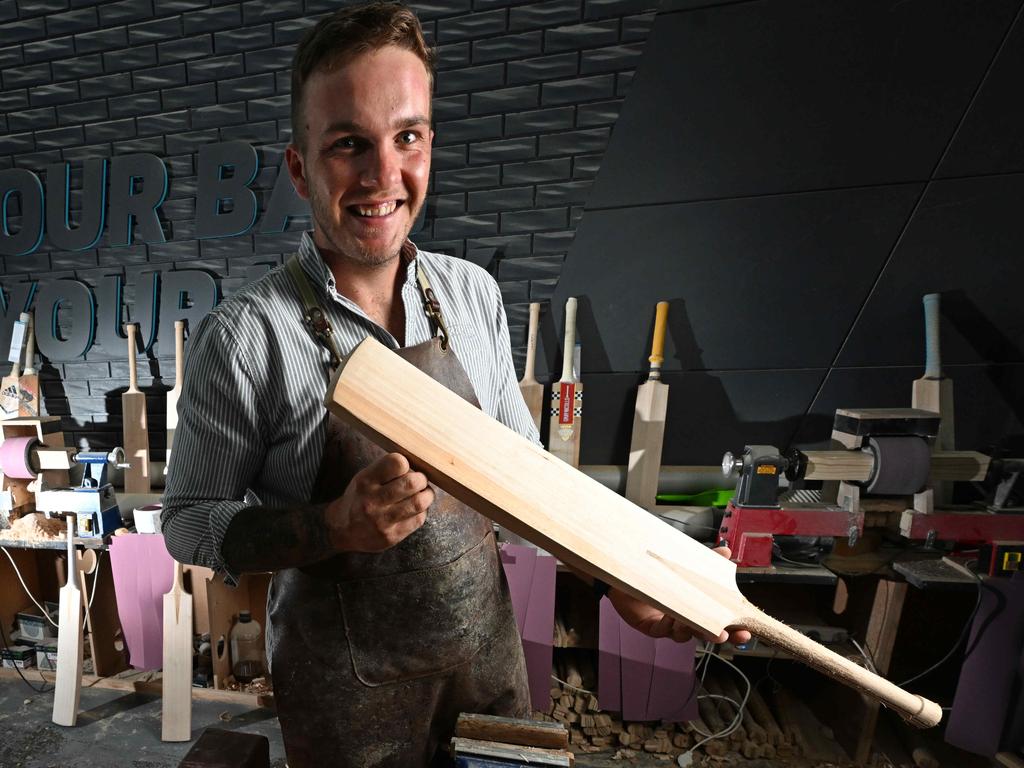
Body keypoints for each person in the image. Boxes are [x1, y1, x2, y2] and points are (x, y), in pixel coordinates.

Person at [161, 3, 749, 766]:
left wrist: (619, 581)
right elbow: (186, 521)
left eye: (406, 137)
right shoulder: (246, 336)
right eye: (348, 145)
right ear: (301, 168)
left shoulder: (470, 295)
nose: (383, 176)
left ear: (430, 142)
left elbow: (527, 484)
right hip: (346, 702)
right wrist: (331, 528)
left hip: (486, 676)